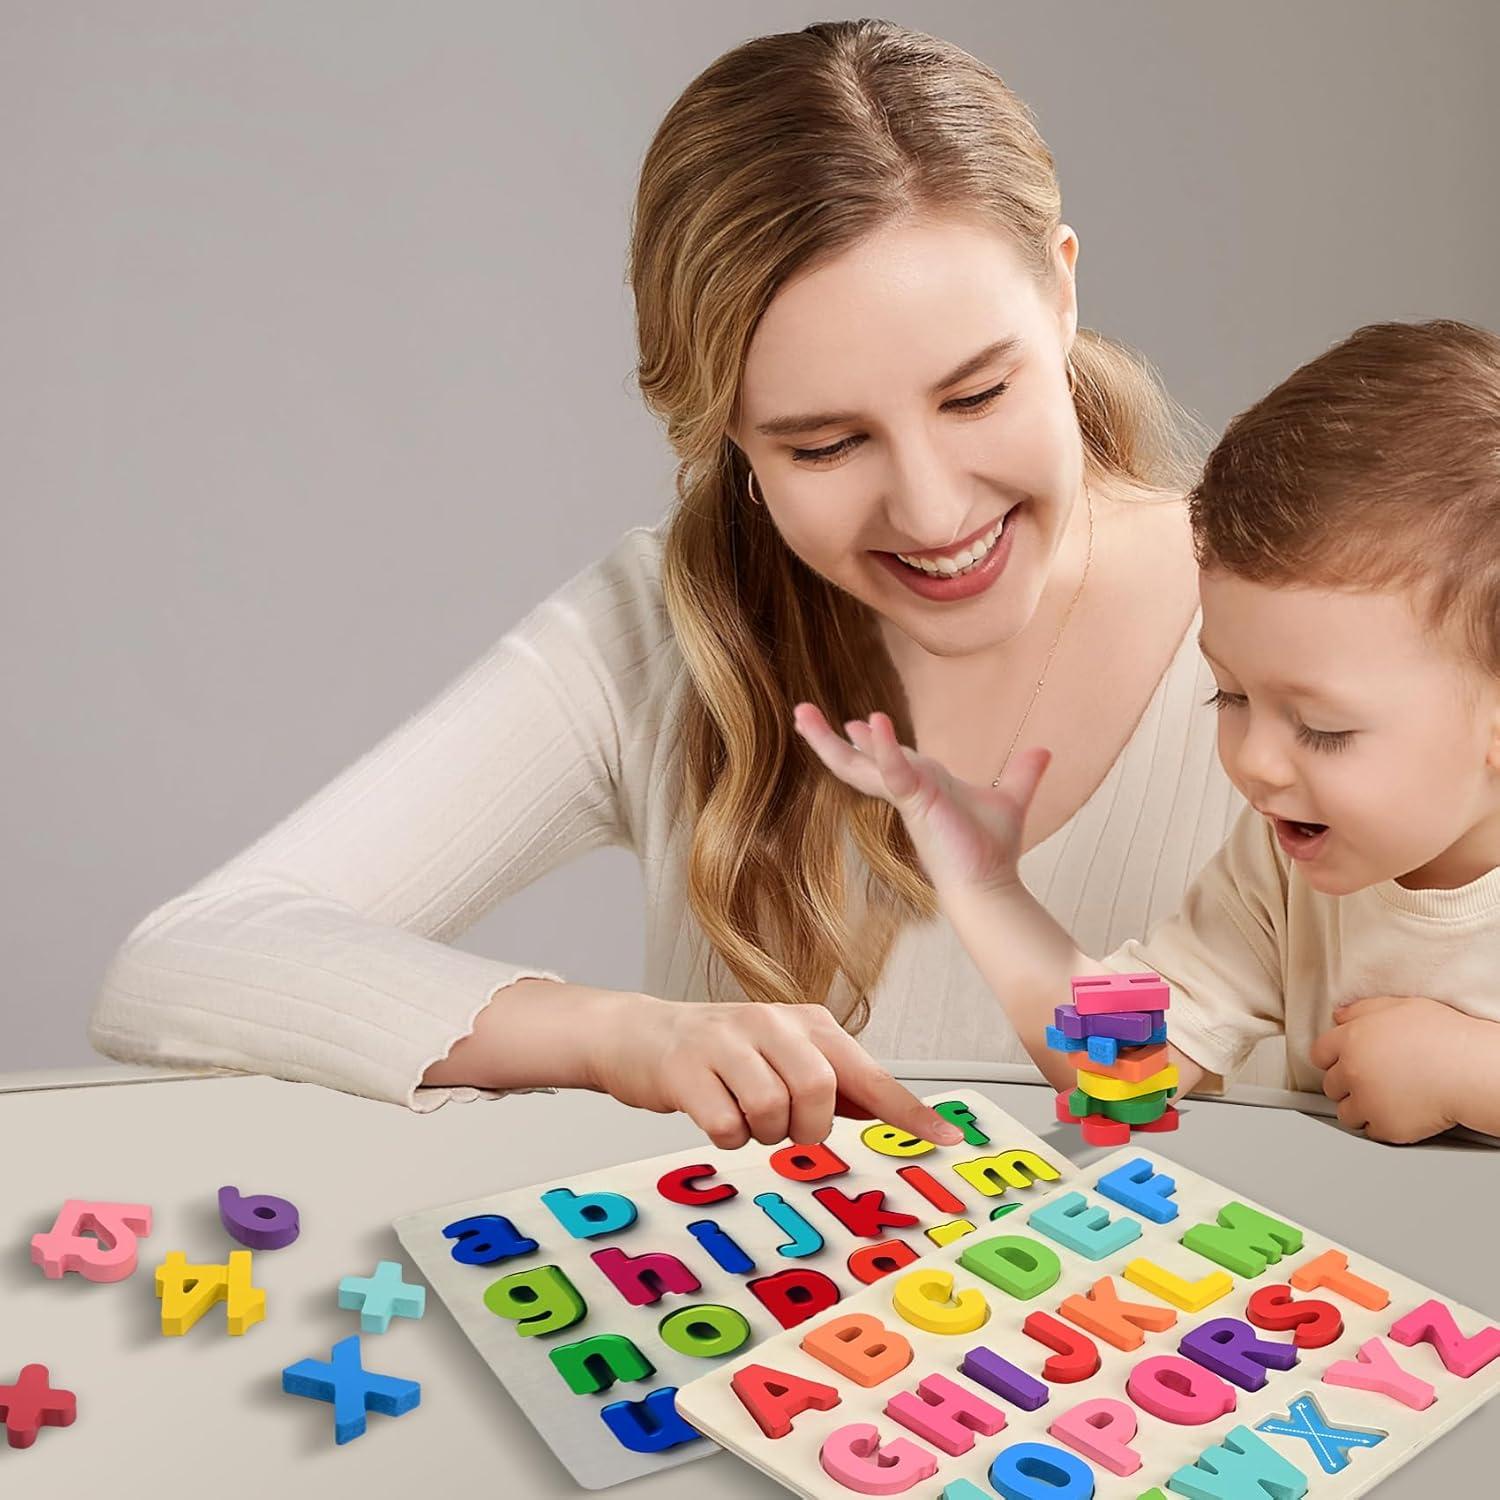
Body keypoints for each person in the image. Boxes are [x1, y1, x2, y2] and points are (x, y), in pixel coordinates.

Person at [87, 19, 1262, 1152]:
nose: (934, 511)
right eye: (823, 445)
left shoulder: (1297, 622)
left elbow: (1244, 1097)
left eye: (974, 397)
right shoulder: (663, 631)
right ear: (727, 438)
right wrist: (616, 1037)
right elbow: (189, 958)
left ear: (1060, 293)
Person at [798, 319, 1500, 1145]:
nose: (1257, 763)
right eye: (1229, 697)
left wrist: (1469, 1073)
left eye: (1322, 728)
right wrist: (989, 891)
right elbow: (1126, 1072)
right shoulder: (1280, 867)